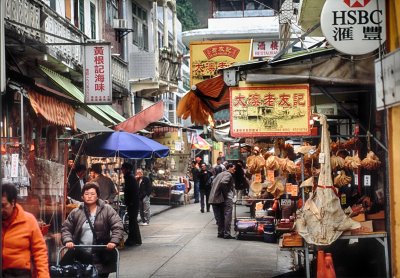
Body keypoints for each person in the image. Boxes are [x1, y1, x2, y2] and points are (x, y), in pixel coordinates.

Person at [61, 182, 123, 277]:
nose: (89, 196)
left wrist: (113, 241)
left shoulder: (107, 210)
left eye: (92, 194)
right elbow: (66, 228)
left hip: (101, 255)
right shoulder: (76, 212)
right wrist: (68, 240)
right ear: (82, 196)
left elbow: (117, 225)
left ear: (98, 196)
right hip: (80, 255)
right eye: (86, 194)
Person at [2, 183, 50, 277]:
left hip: (19, 273)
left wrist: (43, 275)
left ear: (13, 202)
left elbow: (40, 252)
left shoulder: (28, 220)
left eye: (3, 205)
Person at [209, 163, 236, 239]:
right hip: (225, 198)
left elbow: (213, 183)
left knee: (220, 216)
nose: (234, 169)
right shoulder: (228, 174)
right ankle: (227, 233)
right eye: (233, 168)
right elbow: (223, 183)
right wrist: (225, 194)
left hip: (216, 198)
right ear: (229, 168)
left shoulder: (220, 174)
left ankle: (220, 232)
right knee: (228, 215)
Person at [122, 162, 142, 246]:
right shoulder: (129, 177)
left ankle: (133, 239)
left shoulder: (129, 178)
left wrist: (129, 202)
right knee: (133, 221)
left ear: (127, 169)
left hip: (133, 203)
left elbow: (131, 192)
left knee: (132, 221)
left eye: (123, 169)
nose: (122, 170)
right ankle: (136, 239)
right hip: (133, 202)